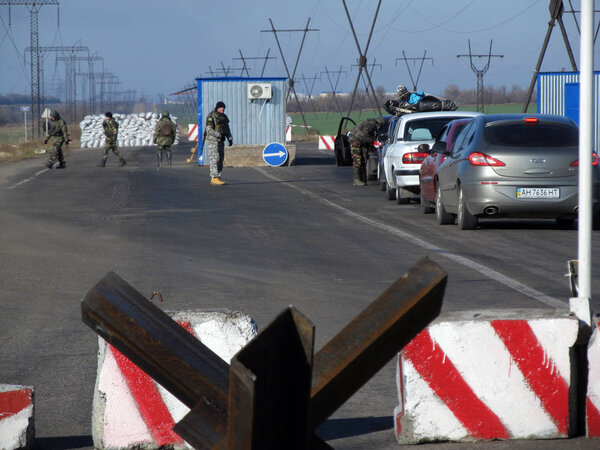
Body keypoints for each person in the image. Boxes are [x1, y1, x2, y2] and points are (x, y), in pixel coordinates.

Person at [204, 101, 232, 185]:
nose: (222, 109)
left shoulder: (224, 117)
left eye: (223, 108)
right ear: (217, 108)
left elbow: (227, 129)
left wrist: (230, 138)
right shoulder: (211, 116)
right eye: (221, 107)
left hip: (221, 141)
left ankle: (218, 176)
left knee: (220, 159)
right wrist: (218, 135)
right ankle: (214, 177)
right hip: (213, 141)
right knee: (214, 159)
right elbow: (209, 129)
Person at [348, 117, 382, 186]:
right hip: (355, 141)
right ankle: (356, 180)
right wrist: (372, 143)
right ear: (379, 123)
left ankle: (362, 179)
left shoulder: (370, 123)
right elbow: (365, 136)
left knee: (362, 161)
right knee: (357, 161)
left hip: (359, 141)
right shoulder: (370, 126)